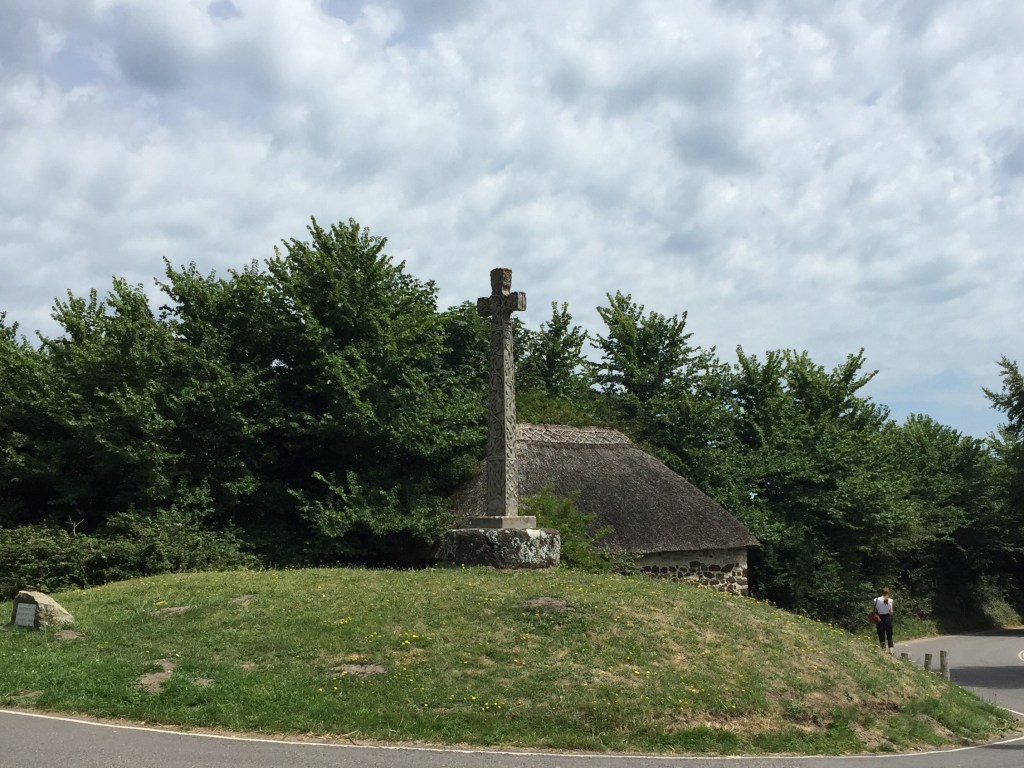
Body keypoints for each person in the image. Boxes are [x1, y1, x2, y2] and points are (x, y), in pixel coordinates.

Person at [873, 587, 895, 652]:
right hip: (887, 618)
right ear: (888, 593)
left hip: (879, 618)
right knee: (889, 634)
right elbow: (891, 612)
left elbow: (875, 610)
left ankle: (883, 649)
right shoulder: (890, 600)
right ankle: (891, 650)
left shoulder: (876, 600)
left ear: (881, 592)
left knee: (881, 634)